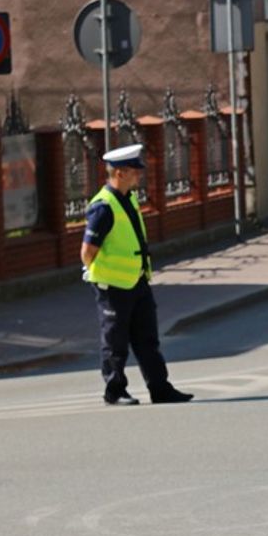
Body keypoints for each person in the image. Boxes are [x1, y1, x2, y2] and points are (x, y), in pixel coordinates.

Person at [81, 144, 194, 406]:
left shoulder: (128, 198)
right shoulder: (103, 207)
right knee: (115, 342)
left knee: (147, 339)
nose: (139, 175)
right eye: (135, 171)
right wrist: (97, 273)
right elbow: (87, 251)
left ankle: (160, 389)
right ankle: (115, 390)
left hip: (137, 280)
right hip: (113, 285)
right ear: (119, 173)